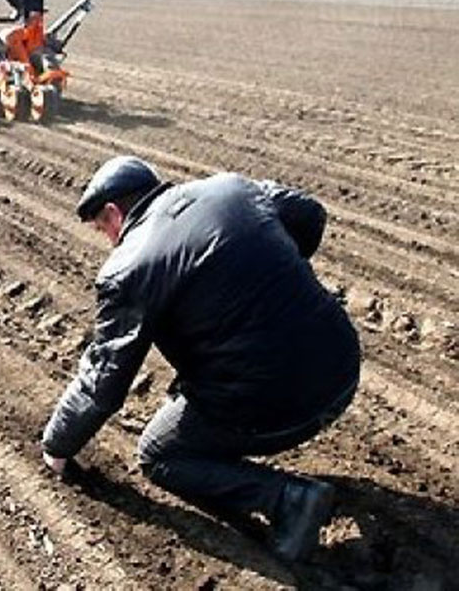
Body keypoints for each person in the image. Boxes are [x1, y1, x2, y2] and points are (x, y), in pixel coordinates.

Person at [40, 156, 361, 562]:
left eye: (103, 229)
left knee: (160, 452)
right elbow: (309, 214)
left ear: (113, 212)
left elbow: (104, 379)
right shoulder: (233, 187)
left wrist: (57, 445)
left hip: (284, 406)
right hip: (343, 366)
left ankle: (288, 500)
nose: (108, 240)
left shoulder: (128, 267)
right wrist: (267, 282)